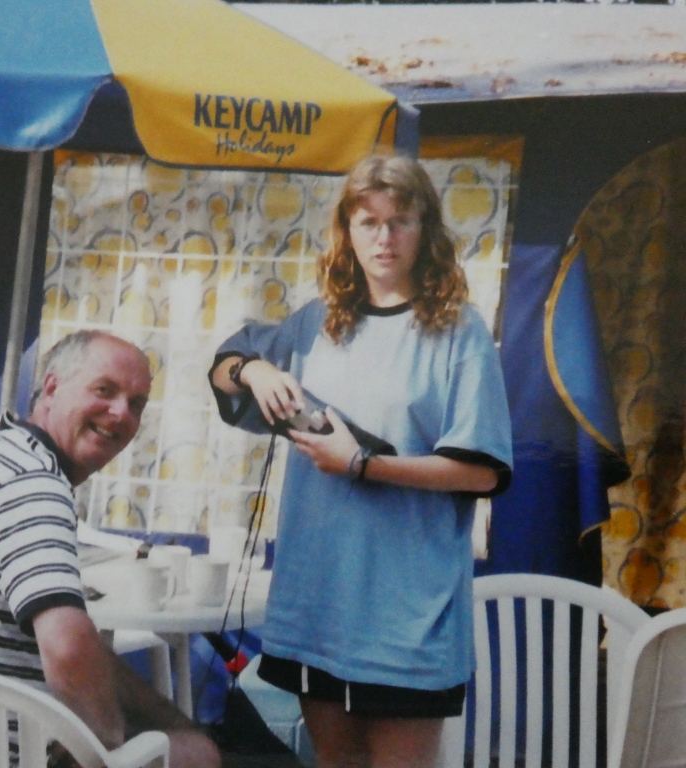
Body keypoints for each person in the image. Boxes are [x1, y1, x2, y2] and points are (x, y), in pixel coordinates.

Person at [209, 153, 513, 768]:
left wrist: (361, 464)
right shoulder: (316, 322)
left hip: (405, 614)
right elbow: (223, 367)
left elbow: (482, 470)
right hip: (319, 601)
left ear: (426, 230)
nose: (385, 237)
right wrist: (255, 367)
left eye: (400, 221)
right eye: (368, 222)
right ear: (347, 229)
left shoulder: (458, 332)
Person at [0, 330, 219, 768]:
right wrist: (112, 741)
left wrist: (168, 718)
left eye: (137, 403)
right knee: (196, 757)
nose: (121, 414)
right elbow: (67, 650)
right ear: (51, 387)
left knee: (172, 736)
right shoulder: (32, 484)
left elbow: (83, 653)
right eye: (104, 390)